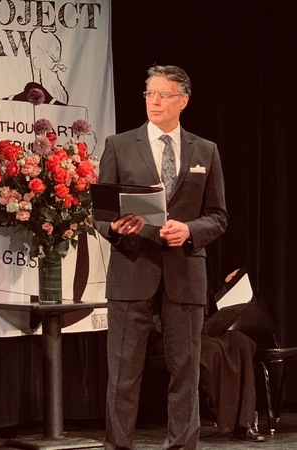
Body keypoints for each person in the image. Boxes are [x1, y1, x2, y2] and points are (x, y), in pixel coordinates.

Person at [95, 64, 228, 449]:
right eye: (149, 94)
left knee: (185, 370)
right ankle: (118, 445)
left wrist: (189, 231)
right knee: (123, 372)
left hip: (184, 270)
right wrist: (115, 228)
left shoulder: (206, 150)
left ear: (182, 101)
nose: (154, 101)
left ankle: (182, 445)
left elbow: (218, 216)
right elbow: (100, 214)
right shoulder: (120, 145)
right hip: (132, 266)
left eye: (163, 95)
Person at [199, 269, 264, 442]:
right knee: (215, 350)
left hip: (208, 330)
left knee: (242, 342)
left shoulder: (199, 273)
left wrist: (227, 288)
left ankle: (246, 423)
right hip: (184, 334)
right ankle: (228, 420)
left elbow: (212, 307)